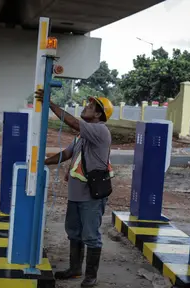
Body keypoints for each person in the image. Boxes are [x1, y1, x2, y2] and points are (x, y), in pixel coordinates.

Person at [35, 89, 114, 287]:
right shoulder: (82, 136)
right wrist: (42, 163)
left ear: (98, 114)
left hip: (91, 196)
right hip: (76, 194)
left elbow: (72, 122)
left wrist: (50, 104)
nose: (85, 107)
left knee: (91, 235)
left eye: (89, 106)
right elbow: (67, 154)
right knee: (74, 232)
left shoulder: (100, 130)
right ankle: (75, 269)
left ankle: (91, 277)